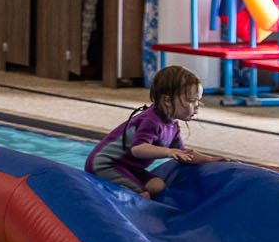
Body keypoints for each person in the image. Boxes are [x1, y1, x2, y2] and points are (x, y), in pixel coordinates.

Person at [85, 66, 228, 198]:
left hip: (128, 166)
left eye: (198, 101)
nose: (196, 107)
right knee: (143, 195)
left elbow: (183, 153)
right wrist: (168, 151)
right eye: (191, 101)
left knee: (158, 186)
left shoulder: (172, 125)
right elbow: (138, 149)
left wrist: (209, 159)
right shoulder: (151, 120)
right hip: (105, 164)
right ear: (167, 100)